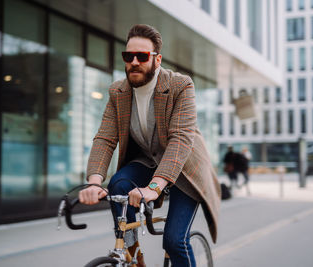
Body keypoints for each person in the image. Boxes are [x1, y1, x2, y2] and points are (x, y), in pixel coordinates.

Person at [79, 24, 221, 267]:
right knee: (118, 185)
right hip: (148, 160)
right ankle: (133, 255)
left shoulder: (180, 85)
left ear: (157, 59)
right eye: (128, 56)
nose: (134, 62)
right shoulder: (118, 91)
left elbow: (180, 139)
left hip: (185, 169)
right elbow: (105, 138)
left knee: (174, 241)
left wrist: (154, 187)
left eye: (142, 56)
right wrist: (93, 182)